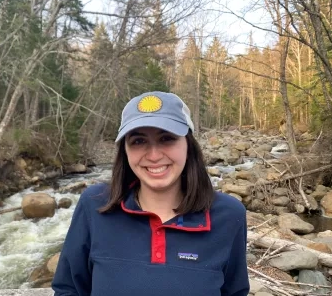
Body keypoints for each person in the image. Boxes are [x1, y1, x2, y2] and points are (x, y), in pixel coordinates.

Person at [52, 91, 249, 296]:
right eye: (138, 141)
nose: (154, 155)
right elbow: (69, 289)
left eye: (167, 138)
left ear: (188, 145)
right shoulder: (94, 205)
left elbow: (234, 292)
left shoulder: (228, 215)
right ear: (125, 151)